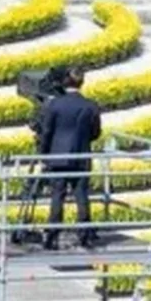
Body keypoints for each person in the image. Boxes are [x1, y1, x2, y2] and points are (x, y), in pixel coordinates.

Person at [38, 66, 102, 250]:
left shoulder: (55, 105)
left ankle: (52, 235)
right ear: (81, 83)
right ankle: (85, 234)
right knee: (81, 195)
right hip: (81, 156)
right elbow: (95, 132)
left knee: (57, 195)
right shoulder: (90, 105)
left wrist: (44, 153)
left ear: (66, 81)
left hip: (58, 155)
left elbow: (47, 131)